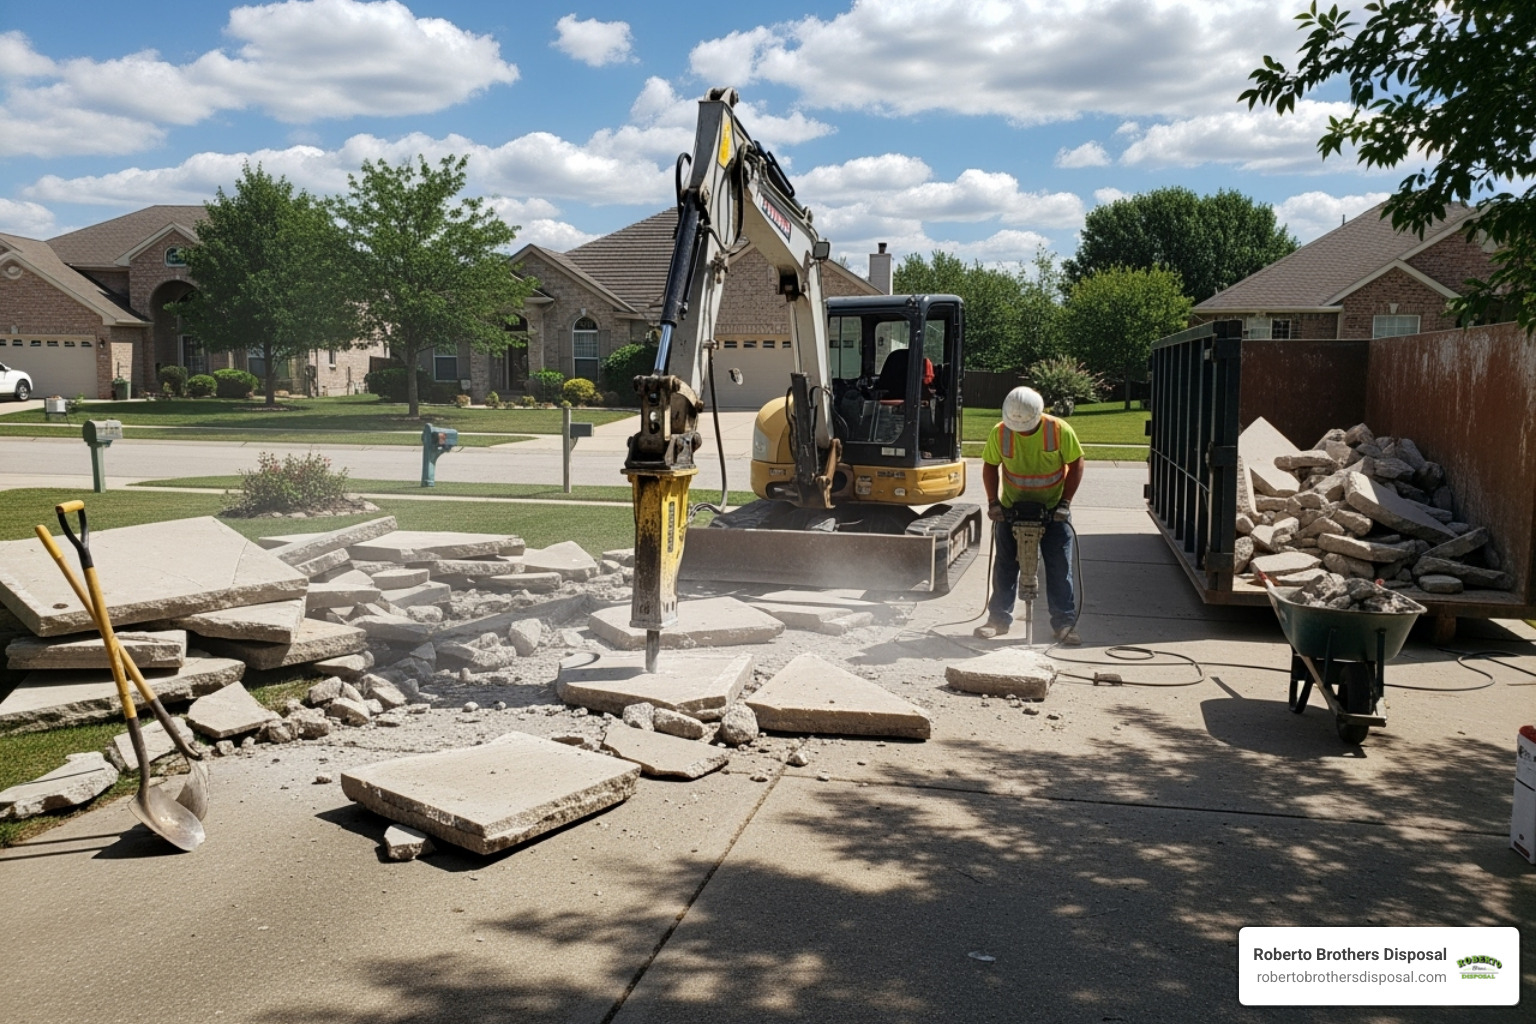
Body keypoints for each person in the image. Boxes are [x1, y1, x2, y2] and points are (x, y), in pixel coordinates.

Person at [974, 386, 1085, 643]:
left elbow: (1076, 463)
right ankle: (998, 620)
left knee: (1059, 567)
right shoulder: (1000, 432)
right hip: (1012, 508)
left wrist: (1065, 503)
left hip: (1053, 509)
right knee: (1005, 565)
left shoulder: (1058, 430)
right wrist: (993, 503)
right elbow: (990, 466)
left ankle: (1064, 624)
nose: (1019, 429)